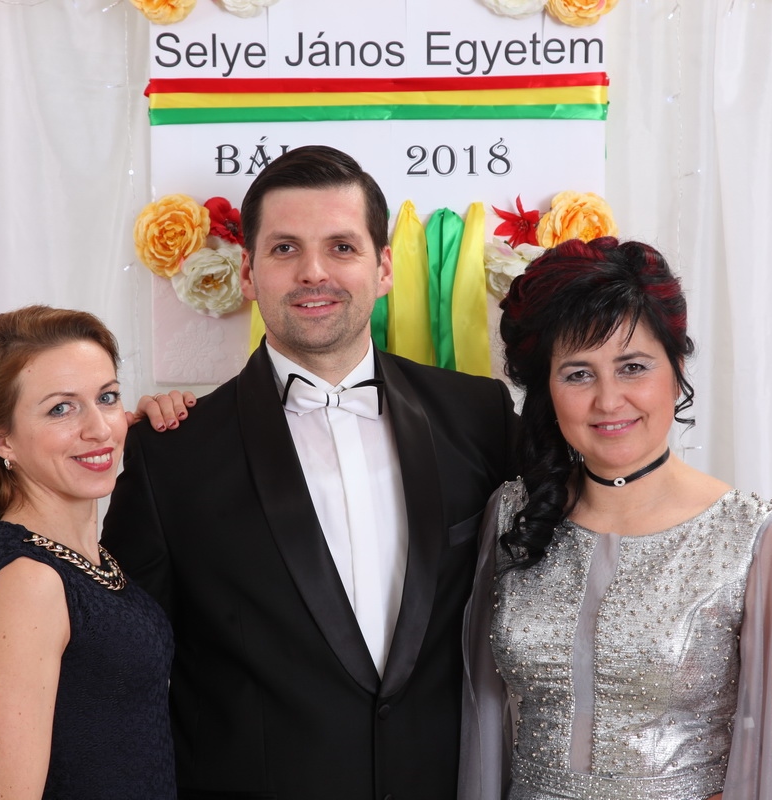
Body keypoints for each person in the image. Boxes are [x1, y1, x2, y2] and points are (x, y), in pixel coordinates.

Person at [101, 145, 519, 799]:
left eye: (342, 247)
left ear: (384, 268)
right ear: (248, 272)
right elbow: (124, 679)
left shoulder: (480, 417)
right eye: (285, 249)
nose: (313, 272)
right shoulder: (169, 455)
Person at [459, 238, 772, 799]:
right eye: (578, 374)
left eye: (633, 367)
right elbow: (484, 719)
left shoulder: (749, 537)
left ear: (676, 368)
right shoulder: (513, 514)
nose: (609, 401)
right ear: (548, 390)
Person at [0, 306, 175, 800]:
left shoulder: (80, 556)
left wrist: (171, 422)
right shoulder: (32, 580)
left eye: (107, 397)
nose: (99, 429)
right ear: (1, 437)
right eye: (61, 409)